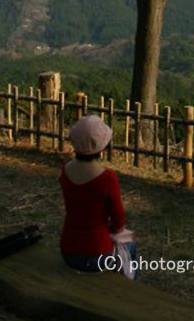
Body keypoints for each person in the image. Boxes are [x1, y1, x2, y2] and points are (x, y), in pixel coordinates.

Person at [58, 114, 137, 277]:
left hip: (68, 251)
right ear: (102, 147)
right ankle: (130, 291)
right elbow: (119, 222)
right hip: (97, 255)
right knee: (131, 248)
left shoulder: (65, 171)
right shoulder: (107, 178)